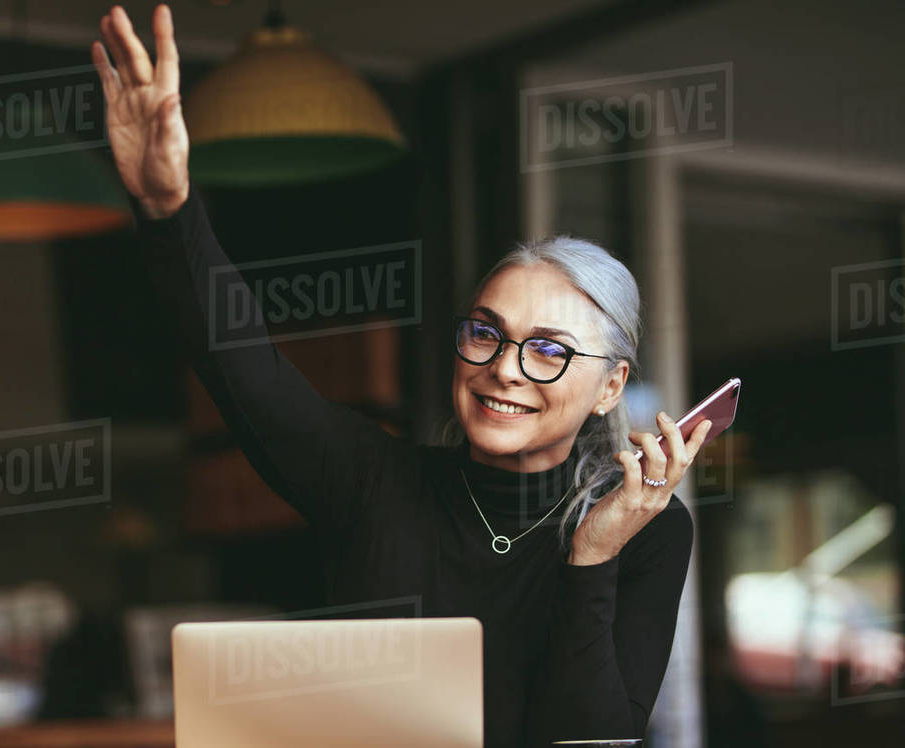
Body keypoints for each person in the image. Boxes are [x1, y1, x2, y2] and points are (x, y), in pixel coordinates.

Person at [90, 6, 711, 746]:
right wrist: (168, 208)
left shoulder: (650, 531)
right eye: (486, 333)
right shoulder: (370, 480)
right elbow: (242, 367)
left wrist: (593, 555)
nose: (503, 370)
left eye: (548, 350)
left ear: (611, 384)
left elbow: (590, 734)